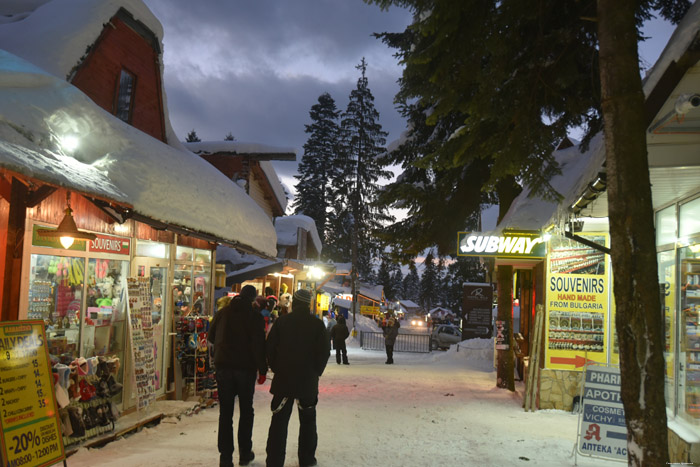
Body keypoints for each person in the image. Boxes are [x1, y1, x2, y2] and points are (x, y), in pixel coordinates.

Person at [265, 289, 330, 467]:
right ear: (309, 304)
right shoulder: (317, 325)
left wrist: (277, 368)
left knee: (279, 422)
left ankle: (274, 461)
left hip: (284, 379)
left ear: (294, 303)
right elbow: (324, 352)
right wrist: (315, 371)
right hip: (307, 381)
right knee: (308, 421)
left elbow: (270, 347)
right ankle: (307, 459)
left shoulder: (282, 322)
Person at [209, 284, 267, 467]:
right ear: (252, 299)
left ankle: (225, 458)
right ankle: (244, 453)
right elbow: (258, 345)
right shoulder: (255, 317)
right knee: (246, 411)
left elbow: (210, 336)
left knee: (225, 413)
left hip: (223, 367)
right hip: (245, 369)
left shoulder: (222, 313)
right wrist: (263, 370)